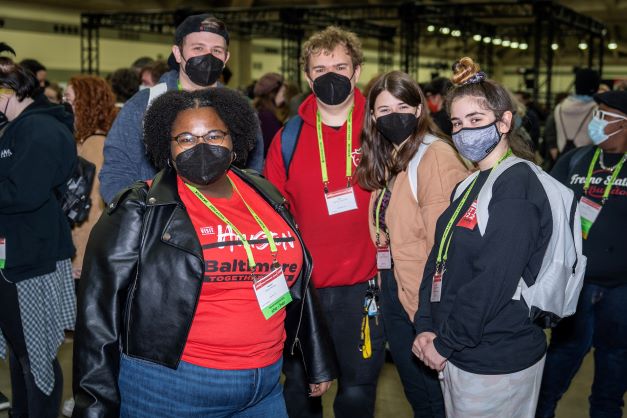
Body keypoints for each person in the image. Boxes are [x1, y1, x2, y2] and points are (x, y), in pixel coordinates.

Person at [73, 87, 337, 417]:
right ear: (166, 148)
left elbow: (298, 279)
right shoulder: (140, 207)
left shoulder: (264, 192)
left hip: (266, 384)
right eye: (185, 138)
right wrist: (94, 406)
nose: (201, 146)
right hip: (171, 387)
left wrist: (317, 357)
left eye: (214, 135)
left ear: (233, 139)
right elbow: (97, 315)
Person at [412, 57, 551, 418]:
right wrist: (426, 324)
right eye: (456, 123)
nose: (464, 132)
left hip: (495, 356)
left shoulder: (516, 186)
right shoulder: (468, 184)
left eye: (475, 121)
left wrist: (446, 343)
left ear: (504, 122)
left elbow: (494, 279)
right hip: (456, 348)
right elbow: (439, 259)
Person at [264, 26, 385, 418]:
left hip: (366, 288)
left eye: (340, 66)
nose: (330, 75)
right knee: (299, 391)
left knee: (357, 392)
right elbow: (272, 215)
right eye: (320, 68)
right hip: (304, 292)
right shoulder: (289, 137)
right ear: (307, 75)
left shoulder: (382, 129)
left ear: (357, 70)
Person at [356, 70, 469, 417]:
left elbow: (447, 246)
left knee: (434, 400)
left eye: (403, 107)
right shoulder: (392, 156)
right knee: (418, 393)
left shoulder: (435, 156)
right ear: (372, 117)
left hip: (426, 298)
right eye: (384, 110)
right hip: (396, 288)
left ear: (420, 110)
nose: (394, 117)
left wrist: (432, 318)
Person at [98, 13, 264, 204]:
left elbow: (252, 171)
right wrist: (139, 217)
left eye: (217, 50)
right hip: (159, 224)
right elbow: (117, 170)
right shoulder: (144, 104)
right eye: (198, 48)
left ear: (226, 58)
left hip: (222, 224)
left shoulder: (240, 110)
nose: (208, 56)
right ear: (178, 53)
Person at [536, 90, 627, 418]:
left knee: (612, 380)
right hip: (576, 286)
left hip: (621, 291)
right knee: (554, 371)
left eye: (606, 118)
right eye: (597, 116)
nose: (597, 123)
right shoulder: (574, 160)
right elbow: (548, 211)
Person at [0, 54, 76, 418]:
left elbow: (25, 193)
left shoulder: (39, 129)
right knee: (22, 351)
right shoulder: (21, 127)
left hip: (32, 258)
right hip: (18, 254)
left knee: (35, 356)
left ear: (9, 91)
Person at [546, 68, 600, 159]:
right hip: (587, 158)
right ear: (596, 85)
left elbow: (550, 131)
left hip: (562, 156)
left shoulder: (559, 107)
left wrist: (553, 149)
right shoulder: (597, 109)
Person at [253, 72, 287, 156]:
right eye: (282, 92)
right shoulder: (267, 118)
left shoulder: (261, 112)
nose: (284, 97)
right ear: (272, 94)